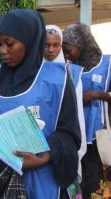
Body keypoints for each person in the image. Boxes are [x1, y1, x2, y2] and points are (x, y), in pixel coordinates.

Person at [0, 9, 81, 198]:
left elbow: (69, 134)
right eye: (0, 44)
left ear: (30, 40)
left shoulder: (58, 80)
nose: (2, 51)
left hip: (39, 178)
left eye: (10, 44)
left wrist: (43, 158)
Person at [63, 23, 111, 199]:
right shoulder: (68, 68)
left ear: (82, 43)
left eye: (68, 50)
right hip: (75, 136)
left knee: (96, 183)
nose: (65, 55)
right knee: (75, 184)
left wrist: (96, 95)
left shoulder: (108, 64)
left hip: (98, 138)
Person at [44, 24, 86, 198]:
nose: (51, 50)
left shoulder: (73, 74)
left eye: (56, 45)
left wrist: (77, 151)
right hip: (42, 147)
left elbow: (78, 117)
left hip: (66, 143)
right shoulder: (33, 72)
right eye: (46, 44)